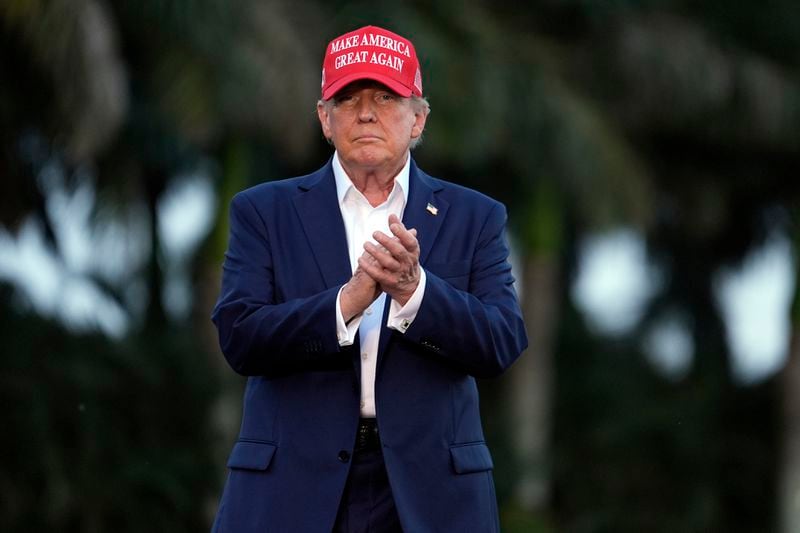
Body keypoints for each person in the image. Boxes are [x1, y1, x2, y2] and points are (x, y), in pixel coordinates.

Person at [210, 25, 527, 533]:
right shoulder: (263, 211)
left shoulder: (476, 216)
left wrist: (414, 292)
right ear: (324, 118)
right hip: (290, 487)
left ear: (418, 118)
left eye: (385, 96)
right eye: (347, 97)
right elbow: (239, 336)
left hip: (430, 495)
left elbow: (502, 341)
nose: (365, 112)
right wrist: (347, 302)